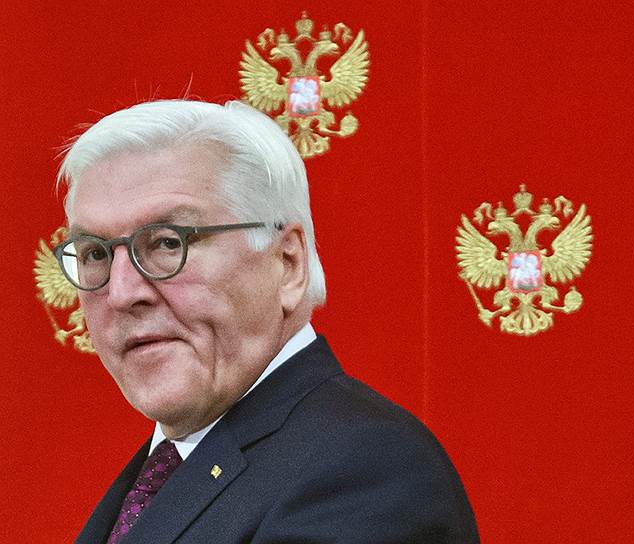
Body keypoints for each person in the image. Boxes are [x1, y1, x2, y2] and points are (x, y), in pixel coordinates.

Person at [55, 99, 479, 543]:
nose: (122, 293)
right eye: (95, 254)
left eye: (167, 243)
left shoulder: (365, 470)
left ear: (287, 263)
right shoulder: (170, 467)